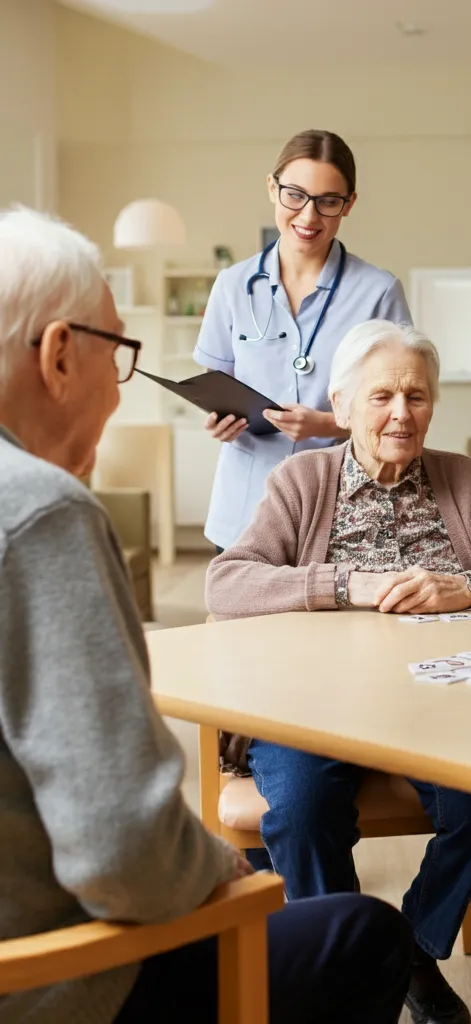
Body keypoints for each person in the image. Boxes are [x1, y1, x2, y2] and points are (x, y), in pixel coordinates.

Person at [0, 206, 412, 1024]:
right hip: (50, 977)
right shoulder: (39, 512)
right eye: (117, 356)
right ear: (56, 356)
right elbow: (124, 855)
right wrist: (223, 873)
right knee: (361, 934)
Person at [206, 318, 471, 1024]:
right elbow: (228, 584)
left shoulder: (468, 482)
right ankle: (342, 979)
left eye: (416, 396)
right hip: (309, 704)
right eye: (381, 397)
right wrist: (348, 585)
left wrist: (469, 588)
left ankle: (406, 950)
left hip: (442, 703)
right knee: (307, 810)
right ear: (342, 407)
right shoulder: (302, 480)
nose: (401, 414)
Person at [195, 128, 411, 552]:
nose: (309, 217)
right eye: (295, 195)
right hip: (245, 509)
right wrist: (218, 421)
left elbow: (399, 405)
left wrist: (329, 424)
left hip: (339, 505)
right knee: (237, 618)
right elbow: (216, 384)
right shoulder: (233, 285)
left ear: (348, 204)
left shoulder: (378, 291)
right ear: (272, 189)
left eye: (328, 201)